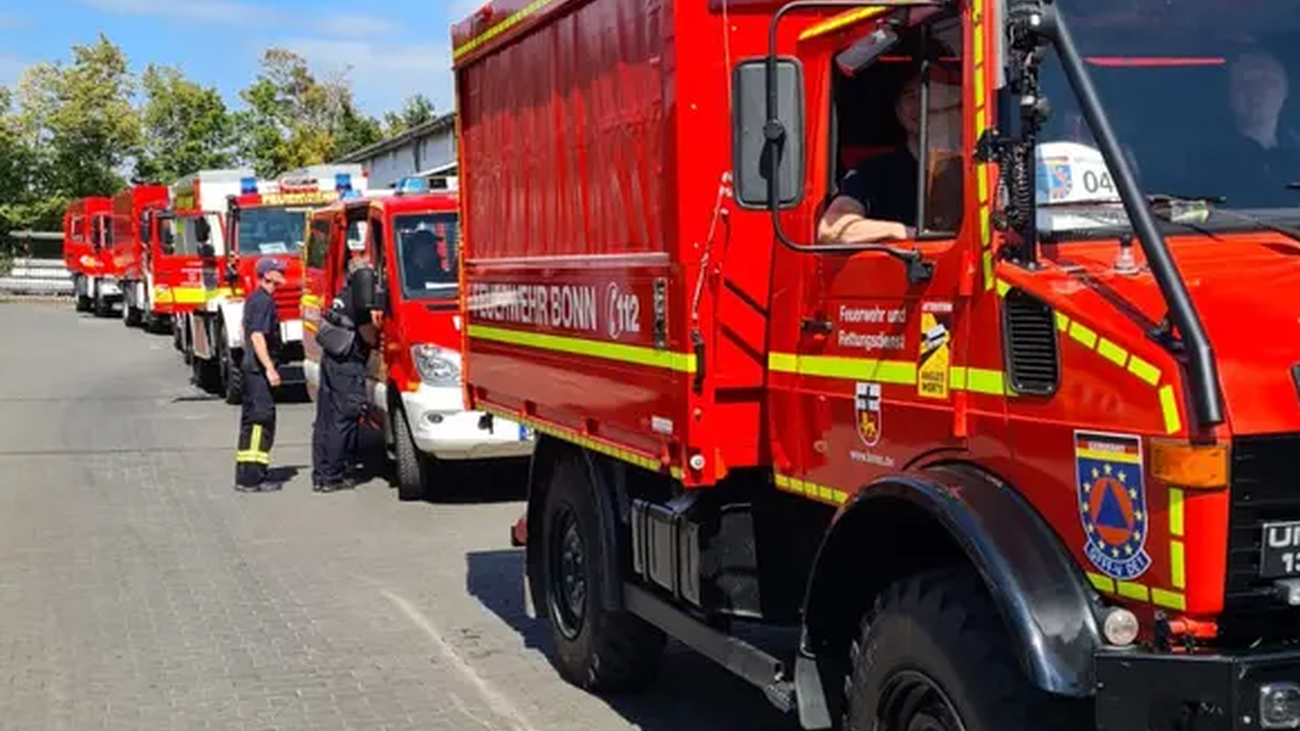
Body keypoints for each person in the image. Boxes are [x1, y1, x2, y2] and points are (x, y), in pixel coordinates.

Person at [818, 62, 964, 244]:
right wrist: (908, 233)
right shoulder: (875, 171)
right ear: (898, 110)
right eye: (910, 96)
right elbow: (830, 230)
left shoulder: (978, 170)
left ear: (955, 106)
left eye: (933, 95)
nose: (922, 105)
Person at [311, 250, 381, 493]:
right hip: (347, 365)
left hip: (330, 360)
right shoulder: (360, 301)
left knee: (326, 419)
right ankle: (333, 477)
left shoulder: (342, 295)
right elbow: (368, 336)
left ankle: (321, 474)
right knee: (344, 420)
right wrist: (378, 331)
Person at [235, 257, 286, 492]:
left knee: (253, 422)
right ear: (267, 276)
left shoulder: (255, 299)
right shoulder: (263, 302)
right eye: (278, 271)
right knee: (259, 422)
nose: (283, 273)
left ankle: (248, 475)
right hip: (257, 372)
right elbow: (257, 336)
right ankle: (252, 478)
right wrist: (269, 368)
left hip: (251, 370)